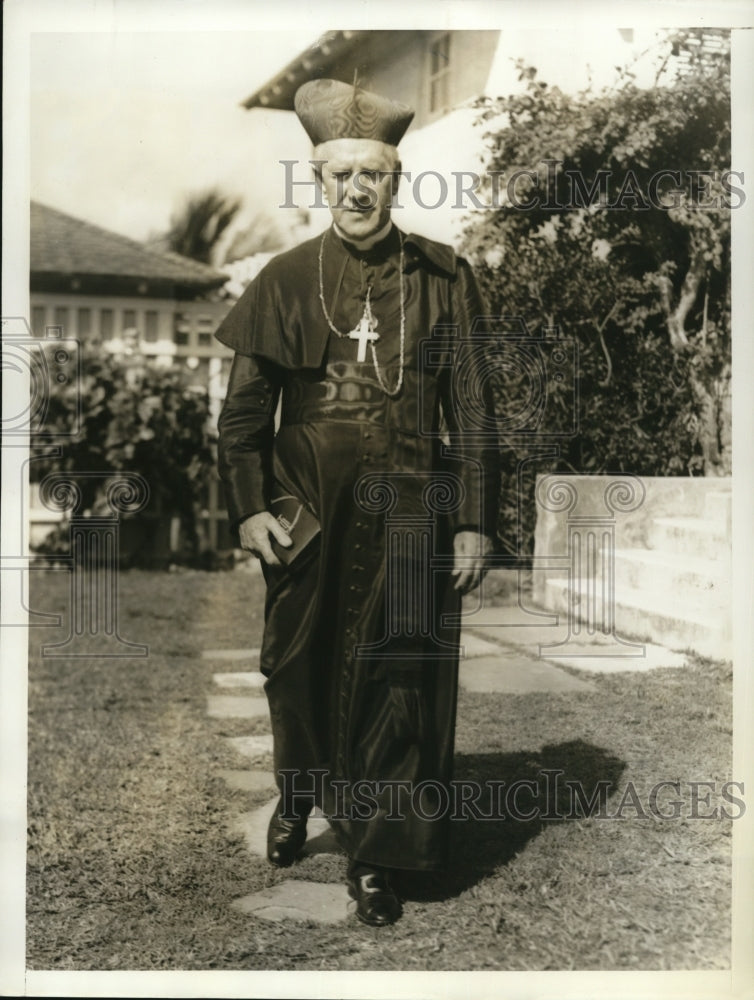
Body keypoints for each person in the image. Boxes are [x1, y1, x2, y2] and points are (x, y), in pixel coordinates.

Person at [215, 78, 500, 927]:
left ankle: (378, 855)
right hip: (306, 511)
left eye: (371, 173)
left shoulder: (444, 278)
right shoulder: (282, 278)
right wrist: (248, 509)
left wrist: (477, 520)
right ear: (319, 182)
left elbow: (476, 410)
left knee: (398, 682)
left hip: (414, 507)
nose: (356, 189)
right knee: (296, 669)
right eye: (339, 175)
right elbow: (241, 418)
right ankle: (300, 795)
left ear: (396, 177)